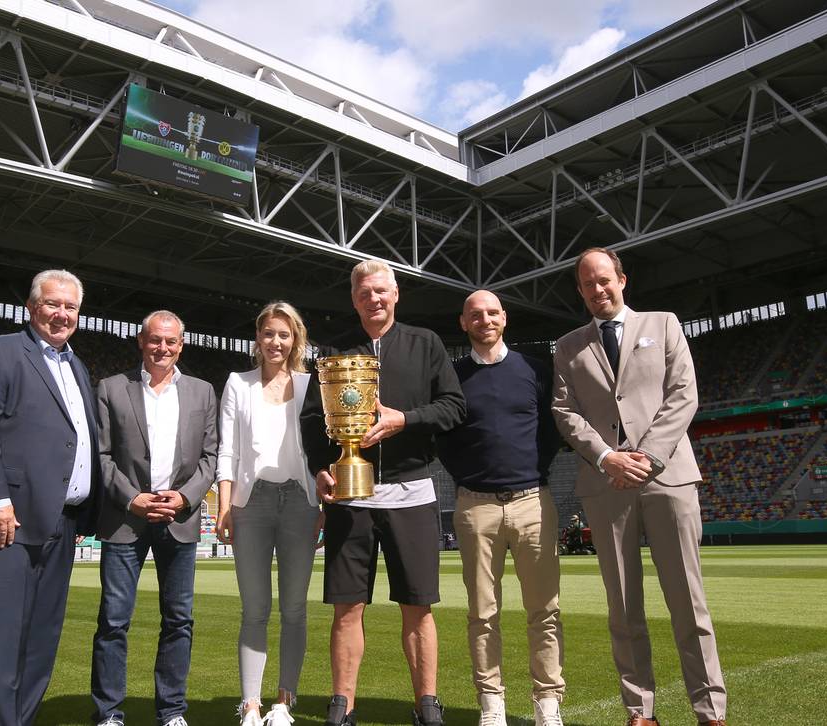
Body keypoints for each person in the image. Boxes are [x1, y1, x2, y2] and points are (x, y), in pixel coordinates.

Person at [550, 247, 727, 726]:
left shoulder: (665, 324)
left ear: (622, 280)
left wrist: (646, 457)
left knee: (688, 601)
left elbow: (683, 394)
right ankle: (640, 711)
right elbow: (565, 412)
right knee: (623, 605)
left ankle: (710, 710)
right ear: (581, 290)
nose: (596, 289)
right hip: (606, 481)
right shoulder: (567, 346)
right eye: (587, 284)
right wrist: (609, 457)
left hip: (667, 476)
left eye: (603, 279)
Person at [301, 259, 466, 726]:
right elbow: (313, 419)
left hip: (411, 490)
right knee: (347, 606)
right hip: (350, 494)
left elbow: (454, 407)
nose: (373, 299)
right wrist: (319, 468)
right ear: (354, 299)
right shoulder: (334, 349)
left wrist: (404, 419)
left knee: (417, 605)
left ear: (396, 295)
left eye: (381, 291)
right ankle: (342, 705)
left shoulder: (426, 343)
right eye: (364, 292)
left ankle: (427, 704)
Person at [0, 268, 100, 726]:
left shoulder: (78, 366)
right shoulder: (1, 351)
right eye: (52, 304)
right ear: (31, 308)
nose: (61, 314)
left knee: (42, 635)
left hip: (64, 519)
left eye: (70, 307)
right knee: (4, 633)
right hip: (8, 518)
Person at [438, 290, 565, 726]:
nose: (485, 320)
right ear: (463, 322)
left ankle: (548, 703)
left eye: (492, 312)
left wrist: (534, 469)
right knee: (482, 613)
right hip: (475, 506)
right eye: (476, 314)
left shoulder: (535, 369)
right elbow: (444, 438)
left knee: (544, 610)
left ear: (504, 318)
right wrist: (468, 476)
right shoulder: (452, 377)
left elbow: (552, 429)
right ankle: (492, 705)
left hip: (532, 501)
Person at [90, 310, 218, 726]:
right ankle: (109, 712)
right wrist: (134, 499)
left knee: (179, 620)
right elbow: (102, 455)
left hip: (179, 518)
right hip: (126, 519)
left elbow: (210, 457)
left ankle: (172, 711)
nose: (164, 348)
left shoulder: (202, 391)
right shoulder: (111, 388)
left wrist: (183, 498)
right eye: (155, 340)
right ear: (141, 341)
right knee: (113, 620)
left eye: (172, 341)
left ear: (181, 344)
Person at [215, 301, 324, 726]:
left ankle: (283, 702)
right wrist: (224, 505)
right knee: (254, 608)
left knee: (295, 608)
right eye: (268, 333)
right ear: (257, 339)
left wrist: (322, 506)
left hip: (301, 501)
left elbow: (324, 450)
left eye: (284, 334)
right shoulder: (236, 384)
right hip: (250, 503)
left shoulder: (311, 384)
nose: (275, 342)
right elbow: (228, 449)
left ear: (295, 339)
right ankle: (251, 704)